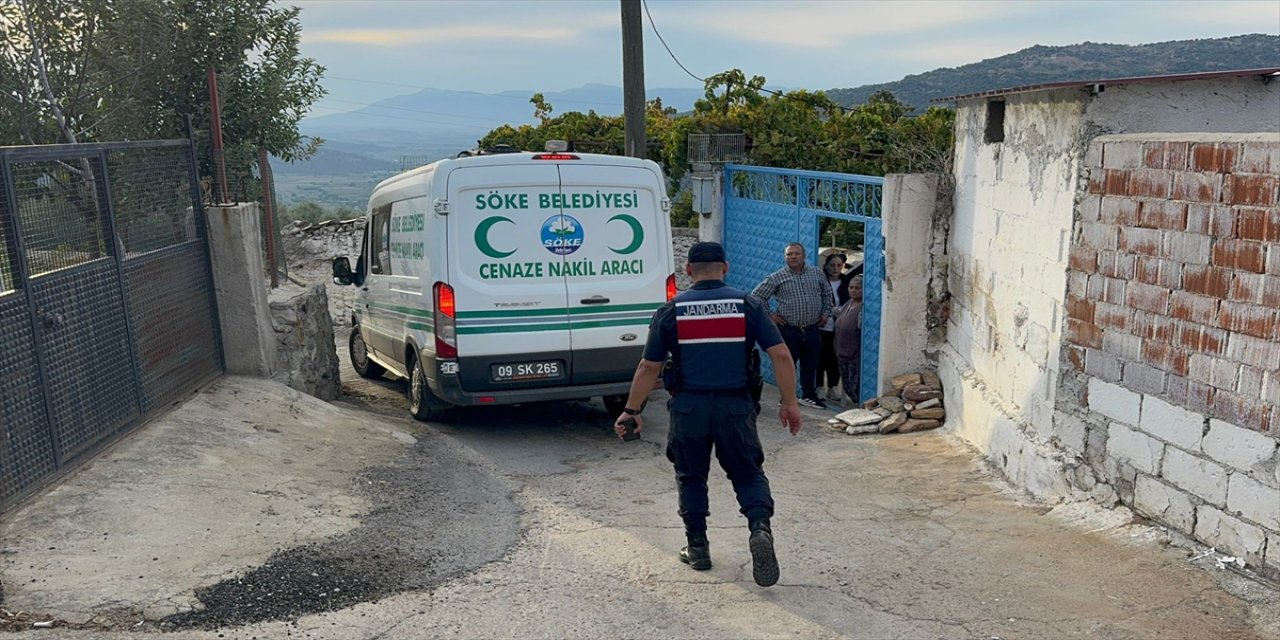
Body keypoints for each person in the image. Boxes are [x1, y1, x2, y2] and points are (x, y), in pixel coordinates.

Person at [614, 241, 802, 588]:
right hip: (735, 407)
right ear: (725, 268)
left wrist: (631, 410)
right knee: (747, 474)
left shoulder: (671, 311)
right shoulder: (748, 305)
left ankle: (697, 547)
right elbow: (781, 355)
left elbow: (648, 366)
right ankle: (760, 528)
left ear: (688, 271)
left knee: (691, 477)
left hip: (689, 408)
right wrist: (789, 403)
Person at [750, 242, 834, 409]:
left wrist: (825, 313)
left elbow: (827, 293)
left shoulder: (816, 274)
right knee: (788, 365)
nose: (793, 257)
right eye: (789, 254)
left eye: (796, 253)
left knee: (810, 364)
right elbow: (756, 297)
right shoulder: (777, 277)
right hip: (789, 330)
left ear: (804, 256)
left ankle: (809, 395)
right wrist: (771, 315)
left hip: (811, 328)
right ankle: (787, 397)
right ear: (785, 257)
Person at [817, 252, 851, 403]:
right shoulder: (820, 281)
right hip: (821, 325)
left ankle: (832, 387)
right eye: (832, 265)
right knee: (819, 357)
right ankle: (818, 387)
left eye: (839, 265)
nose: (836, 268)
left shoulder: (847, 282)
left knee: (835, 357)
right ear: (826, 266)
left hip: (839, 327)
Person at [834, 275, 864, 406]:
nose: (853, 290)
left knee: (855, 385)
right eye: (851, 287)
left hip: (854, 354)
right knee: (846, 384)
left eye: (857, 288)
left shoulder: (863, 307)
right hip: (842, 352)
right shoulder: (849, 303)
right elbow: (838, 312)